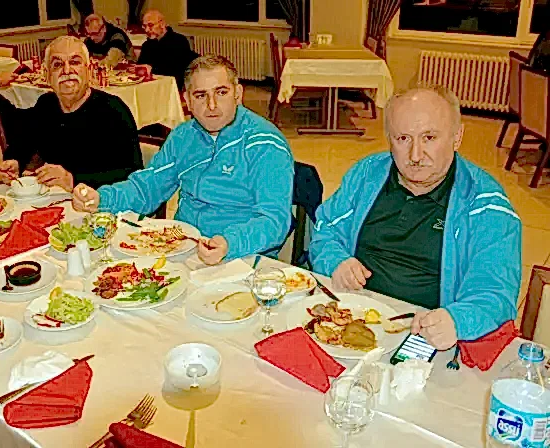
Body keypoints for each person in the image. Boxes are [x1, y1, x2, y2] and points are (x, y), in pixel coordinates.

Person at [309, 85, 521, 350]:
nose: (415, 156)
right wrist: (336, 261)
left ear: (457, 137)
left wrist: (457, 320)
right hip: (352, 315)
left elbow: (495, 293)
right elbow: (325, 230)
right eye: (403, 139)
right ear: (389, 139)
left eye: (429, 138)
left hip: (424, 334)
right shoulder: (366, 174)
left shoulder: (486, 206)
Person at [72, 55, 294, 266]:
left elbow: (274, 220)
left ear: (238, 93)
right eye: (200, 95)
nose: (212, 105)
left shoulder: (266, 144)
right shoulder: (183, 136)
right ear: (187, 100)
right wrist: (102, 198)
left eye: (221, 92)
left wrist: (229, 243)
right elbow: (147, 188)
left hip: (242, 256)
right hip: (182, 249)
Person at [0, 36, 143, 190]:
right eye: (58, 64)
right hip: (56, 198)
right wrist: (15, 163)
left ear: (89, 70)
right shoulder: (46, 105)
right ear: (47, 75)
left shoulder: (113, 110)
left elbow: (133, 174)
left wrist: (74, 180)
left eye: (75, 62)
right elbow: (24, 143)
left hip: (101, 200)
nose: (67, 71)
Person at [137, 10, 198, 90]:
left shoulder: (179, 41)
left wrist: (151, 69)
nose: (147, 30)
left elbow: (176, 71)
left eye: (150, 25)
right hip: (149, 86)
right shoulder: (147, 45)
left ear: (162, 24)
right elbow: (140, 66)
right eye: (144, 26)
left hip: (172, 87)